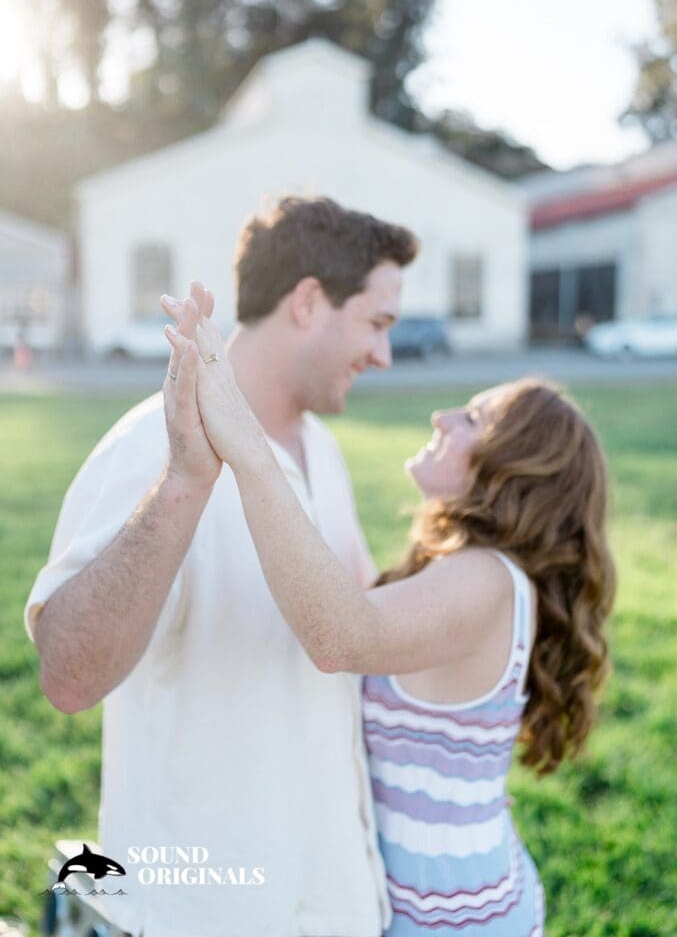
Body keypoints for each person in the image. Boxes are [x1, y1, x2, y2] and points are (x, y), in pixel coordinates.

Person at [25, 196, 419, 937]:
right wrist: (183, 484)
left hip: (335, 898)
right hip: (207, 910)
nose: (383, 354)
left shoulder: (321, 449)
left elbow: (360, 626)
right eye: (376, 323)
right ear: (308, 301)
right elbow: (68, 678)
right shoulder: (148, 446)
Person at [166, 313, 616, 937]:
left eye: (473, 419)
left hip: (456, 919)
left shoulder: (485, 579)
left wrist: (248, 447)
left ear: (515, 470)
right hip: (437, 904)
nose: (442, 418)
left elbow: (339, 634)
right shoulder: (458, 574)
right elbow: (344, 582)